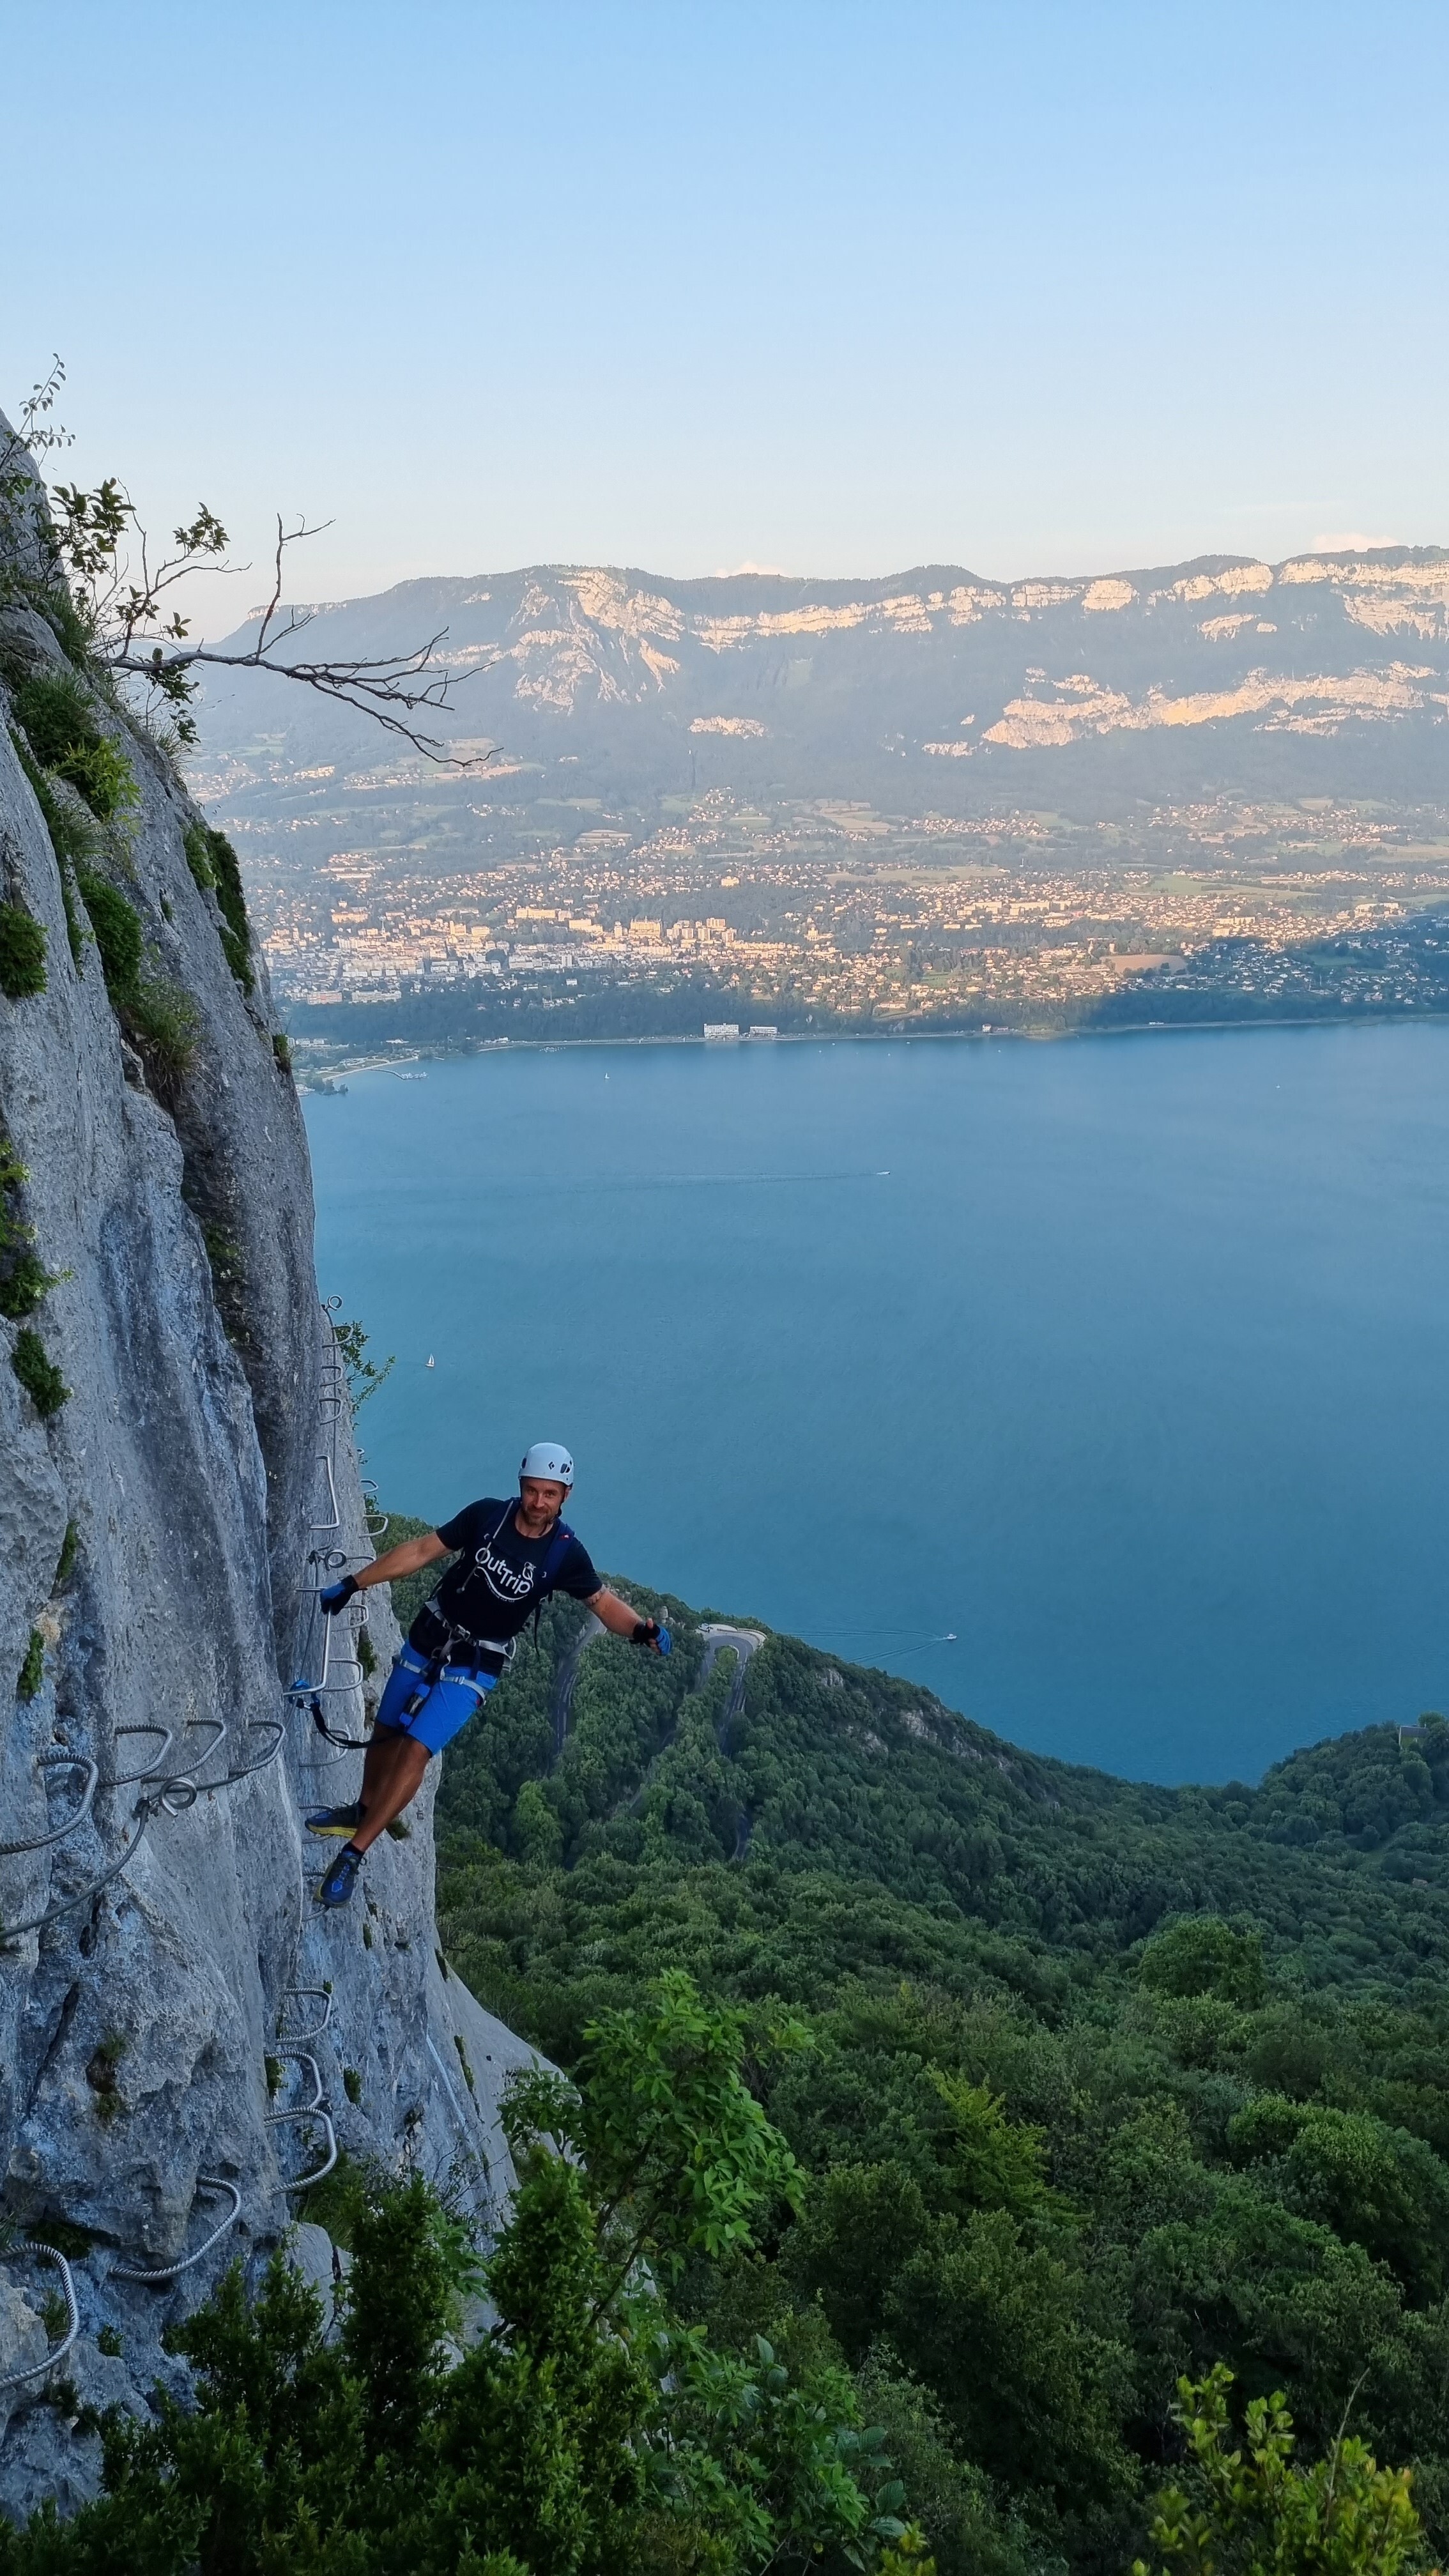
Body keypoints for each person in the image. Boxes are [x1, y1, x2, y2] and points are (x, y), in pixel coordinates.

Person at [305, 1441, 670, 1908]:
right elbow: (421, 1551)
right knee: (388, 1729)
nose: (540, 1503)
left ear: (566, 1496)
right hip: (431, 1634)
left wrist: (640, 1629)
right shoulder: (487, 1517)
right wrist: (354, 1584)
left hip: (479, 1662)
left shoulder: (564, 1554)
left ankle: (353, 1854)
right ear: (521, 1487)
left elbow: (601, 1603)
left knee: (417, 1749)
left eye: (551, 1495)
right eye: (534, 1491)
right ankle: (362, 1810)